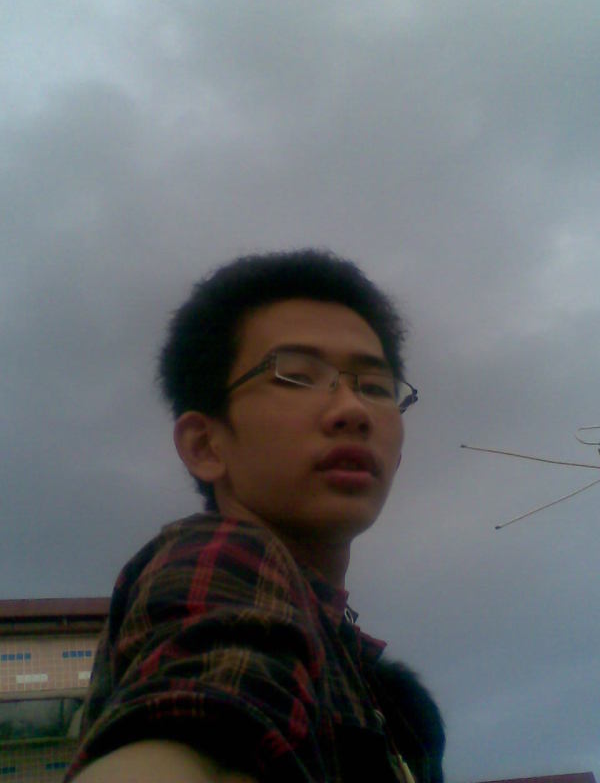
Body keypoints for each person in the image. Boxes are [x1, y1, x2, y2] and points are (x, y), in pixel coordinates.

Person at [65, 249, 444, 783]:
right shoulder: (222, 559)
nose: (354, 411)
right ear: (205, 444)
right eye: (297, 375)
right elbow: (209, 711)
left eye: (377, 388)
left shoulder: (379, 685)